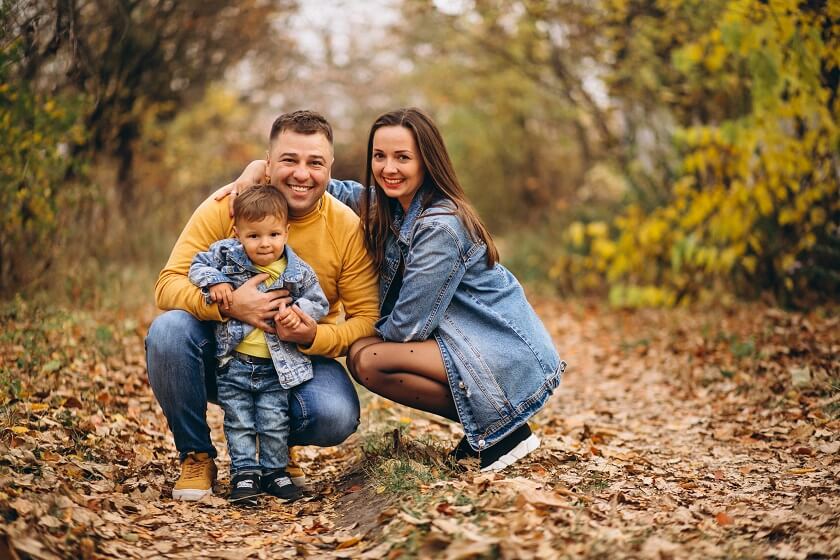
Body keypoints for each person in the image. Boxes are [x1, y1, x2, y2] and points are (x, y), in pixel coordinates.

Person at [228, 107, 565, 472]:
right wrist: (255, 172)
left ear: (426, 161)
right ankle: (494, 428)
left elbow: (407, 330)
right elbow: (322, 185)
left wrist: (339, 332)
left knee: (369, 358)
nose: (389, 168)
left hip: (504, 352)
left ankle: (503, 429)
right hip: (472, 348)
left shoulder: (440, 226)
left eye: (402, 157)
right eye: (379, 156)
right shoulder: (387, 206)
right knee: (364, 354)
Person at [146, 110, 380, 501]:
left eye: (314, 162)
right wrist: (228, 306)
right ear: (268, 164)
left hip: (294, 359)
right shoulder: (231, 206)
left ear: (330, 168)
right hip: (225, 350)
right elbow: (167, 285)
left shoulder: (345, 227)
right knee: (168, 332)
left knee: (336, 413)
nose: (301, 174)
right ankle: (196, 455)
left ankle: (276, 450)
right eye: (289, 160)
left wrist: (314, 334)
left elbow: (367, 319)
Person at [188, 184, 329, 505]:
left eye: (273, 235)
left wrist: (298, 314)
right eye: (254, 236)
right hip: (233, 363)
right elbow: (196, 265)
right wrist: (217, 281)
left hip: (276, 368)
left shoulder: (297, 272)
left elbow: (318, 303)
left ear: (286, 232)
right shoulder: (226, 255)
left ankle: (275, 471)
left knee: (273, 421)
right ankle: (244, 473)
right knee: (238, 421)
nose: (265, 243)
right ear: (238, 234)